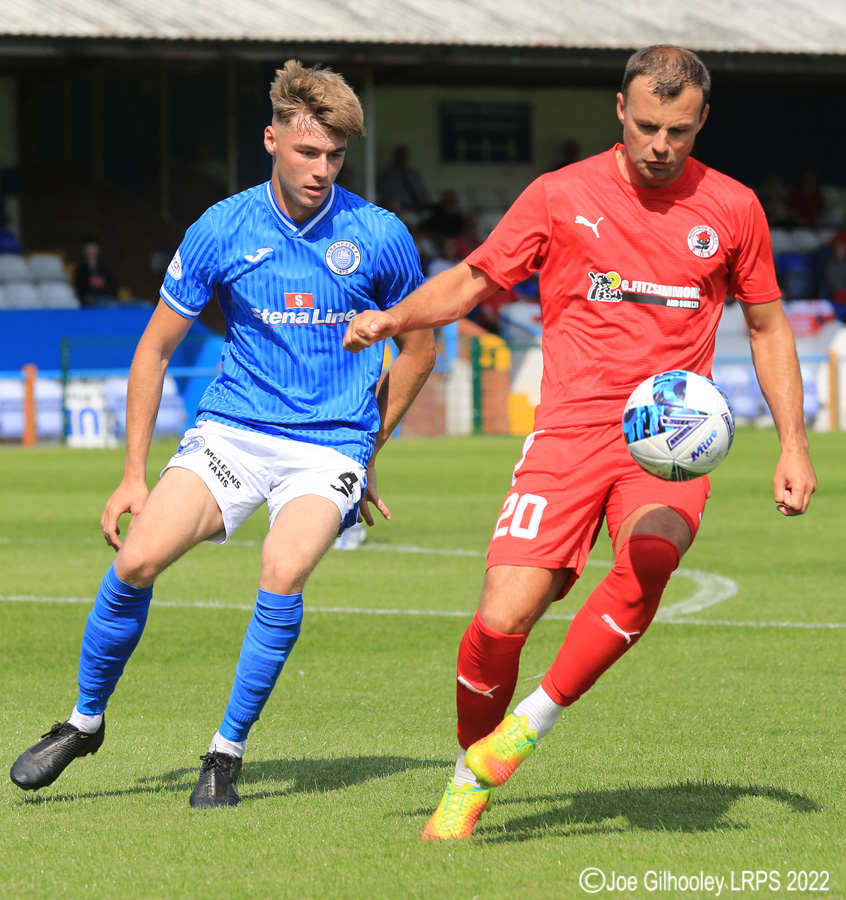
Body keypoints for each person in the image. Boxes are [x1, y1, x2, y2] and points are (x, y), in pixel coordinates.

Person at [344, 44, 817, 840]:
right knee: (501, 623)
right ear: (619, 112)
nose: (660, 146)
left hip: (666, 432)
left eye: (679, 131)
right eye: (646, 126)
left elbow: (767, 326)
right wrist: (396, 318)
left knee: (654, 554)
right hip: (567, 431)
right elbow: (474, 279)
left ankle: (526, 729)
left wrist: (793, 445)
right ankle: (471, 771)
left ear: (702, 122)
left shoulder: (733, 208)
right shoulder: (561, 195)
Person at [10, 60, 435, 808]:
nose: (322, 169)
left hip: (329, 444)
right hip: (233, 432)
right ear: (272, 140)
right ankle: (83, 721)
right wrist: (134, 473)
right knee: (137, 559)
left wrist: (369, 453)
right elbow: (154, 349)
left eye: (335, 155)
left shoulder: (379, 234)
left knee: (282, 567)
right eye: (309, 152)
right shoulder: (221, 227)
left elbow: (421, 347)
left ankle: (224, 753)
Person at [377, 145, 432, 223]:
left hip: (419, 211)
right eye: (400, 156)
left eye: (404, 156)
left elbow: (424, 194)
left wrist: (422, 204)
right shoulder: (387, 176)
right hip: (401, 211)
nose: (402, 159)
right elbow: (388, 198)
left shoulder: (413, 175)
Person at [74, 236, 119, 307]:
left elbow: (113, 285)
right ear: (83, 250)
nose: (91, 250)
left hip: (107, 298)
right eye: (88, 247)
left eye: (93, 247)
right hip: (92, 302)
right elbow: (80, 288)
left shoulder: (103, 268)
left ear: (98, 249)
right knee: (111, 306)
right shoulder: (81, 269)